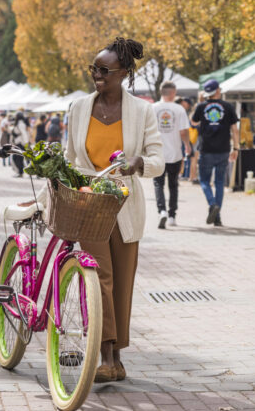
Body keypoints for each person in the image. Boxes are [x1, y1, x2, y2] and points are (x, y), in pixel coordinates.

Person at [60, 36, 163, 383]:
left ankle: (117, 360)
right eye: (94, 69)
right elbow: (69, 159)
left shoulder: (143, 111)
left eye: (104, 70)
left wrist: (139, 163)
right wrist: (50, 196)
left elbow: (158, 159)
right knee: (99, 275)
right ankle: (105, 356)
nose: (97, 75)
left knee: (121, 282)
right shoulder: (79, 108)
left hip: (126, 203)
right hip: (90, 201)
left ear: (124, 74)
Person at [191, 79, 239, 226]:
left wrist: (199, 103)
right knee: (219, 182)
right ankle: (217, 218)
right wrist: (236, 148)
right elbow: (235, 130)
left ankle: (212, 204)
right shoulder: (228, 106)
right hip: (223, 149)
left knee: (204, 181)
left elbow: (193, 122)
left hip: (206, 149)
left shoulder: (201, 106)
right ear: (218, 90)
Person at [152, 81, 191, 228]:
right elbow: (183, 131)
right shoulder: (179, 109)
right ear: (173, 93)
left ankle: (161, 211)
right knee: (173, 185)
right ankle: (172, 216)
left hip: (157, 153)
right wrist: (187, 145)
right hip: (175, 153)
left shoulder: (152, 108)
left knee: (158, 184)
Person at [10, 111, 30, 177]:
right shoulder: (18, 123)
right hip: (18, 143)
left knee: (18, 158)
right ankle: (19, 172)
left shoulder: (21, 124)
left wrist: (26, 143)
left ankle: (20, 172)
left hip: (20, 143)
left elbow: (24, 133)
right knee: (17, 158)